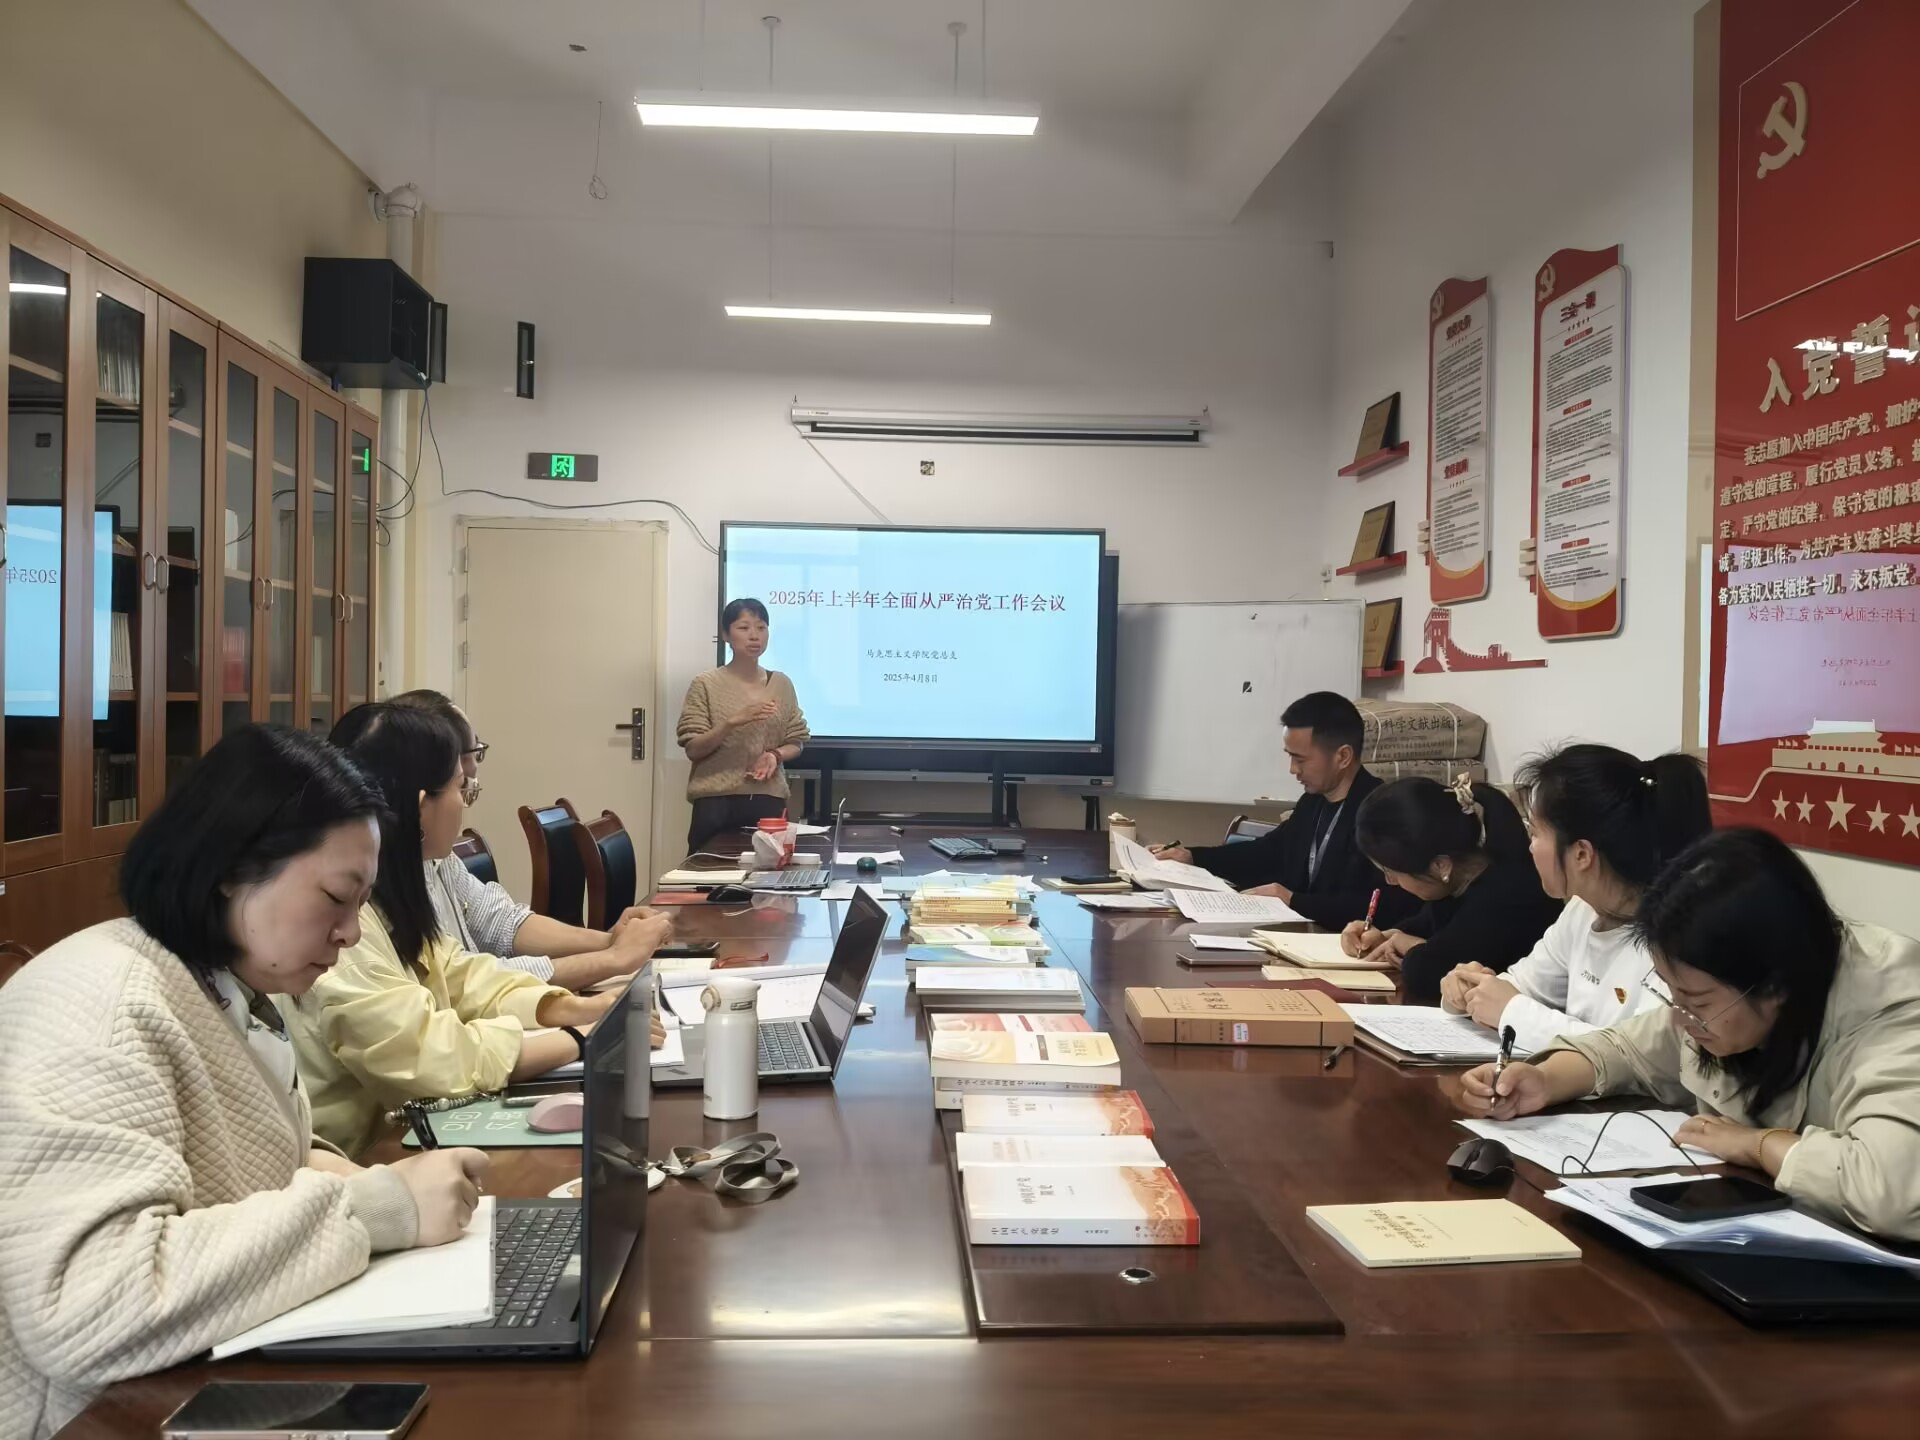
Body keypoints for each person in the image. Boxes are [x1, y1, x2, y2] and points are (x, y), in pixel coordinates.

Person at [0, 726, 489, 1440]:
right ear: (232, 867)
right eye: (336, 897)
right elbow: (90, 1306)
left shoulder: (223, 984)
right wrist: (377, 1207)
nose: (351, 933)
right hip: (95, 1418)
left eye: (362, 904)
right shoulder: (105, 1006)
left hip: (194, 1388)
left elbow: (249, 1156)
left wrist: (352, 1175)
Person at [1464, 828, 1920, 1242]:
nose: (1680, 1019)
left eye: (1696, 1003)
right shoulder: (1723, 993)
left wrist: (1757, 1144)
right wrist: (1544, 1080)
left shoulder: (1893, 1009)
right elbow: (1628, 1049)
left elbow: (1886, 1190)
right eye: (1672, 993)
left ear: (1776, 985)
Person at [281, 704, 641, 1155]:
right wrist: (578, 1039)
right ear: (420, 806)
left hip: (404, 1136)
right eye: (458, 785)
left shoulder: (398, 889)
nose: (467, 797)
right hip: (366, 1154)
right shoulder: (342, 922)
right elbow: (426, 1056)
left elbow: (464, 975)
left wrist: (572, 1008)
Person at [388, 689, 672, 987]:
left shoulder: (438, 858)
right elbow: (468, 986)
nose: (466, 798)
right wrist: (612, 958)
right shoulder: (387, 879)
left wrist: (611, 941)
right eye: (461, 786)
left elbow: (501, 923)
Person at [1439, 744, 1711, 1052]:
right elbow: (1524, 984)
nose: (1530, 847)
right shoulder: (1583, 910)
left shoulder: (1678, 937)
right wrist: (1470, 988)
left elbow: (1636, 1055)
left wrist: (1511, 1011)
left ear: (1581, 854)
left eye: (1535, 833)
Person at [1151, 691, 1412, 930]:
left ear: (1342, 757)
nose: (1293, 769)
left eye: (1300, 759)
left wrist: (1293, 900)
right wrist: (1194, 857)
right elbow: (1267, 852)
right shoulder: (1313, 802)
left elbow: (1385, 906)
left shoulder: (1381, 813)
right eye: (1290, 756)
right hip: (1297, 937)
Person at [1344, 774, 1560, 1001]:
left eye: (1392, 872)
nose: (1391, 882)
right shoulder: (1460, 884)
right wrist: (1385, 937)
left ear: (1441, 866)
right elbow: (1426, 927)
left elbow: (1430, 973)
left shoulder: (1505, 896)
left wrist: (1411, 945)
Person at [676, 598, 811, 854]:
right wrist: (732, 722)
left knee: (770, 872)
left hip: (768, 800)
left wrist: (775, 755)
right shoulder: (705, 684)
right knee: (708, 874)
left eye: (761, 627)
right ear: (726, 634)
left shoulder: (781, 684)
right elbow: (693, 748)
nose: (754, 636)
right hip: (715, 803)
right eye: (744, 627)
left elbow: (796, 741)